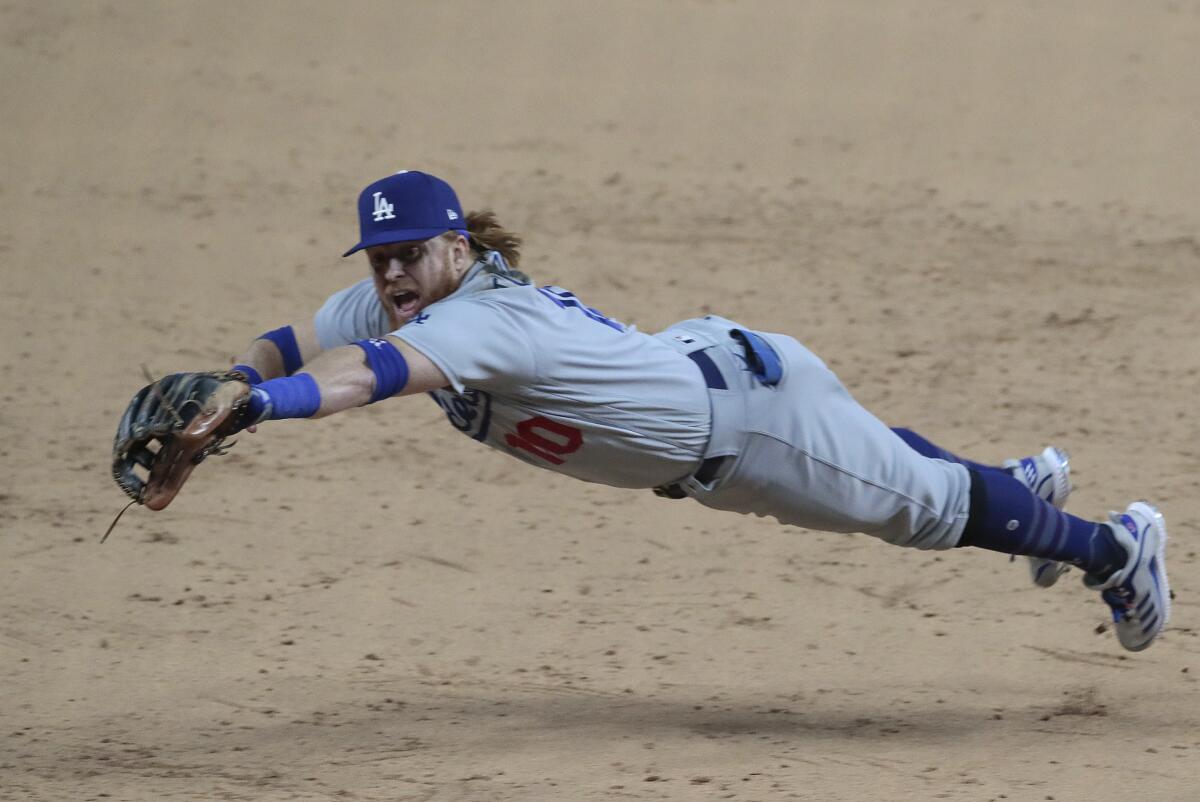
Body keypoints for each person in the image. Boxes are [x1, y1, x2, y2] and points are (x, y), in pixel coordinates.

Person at [216, 170, 1169, 652]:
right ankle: (1015, 495)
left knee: (926, 512)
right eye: (379, 260)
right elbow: (300, 342)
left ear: (456, 248)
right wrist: (229, 383)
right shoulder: (408, 298)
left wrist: (261, 409)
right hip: (717, 373)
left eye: (410, 254)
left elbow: (355, 381)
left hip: (748, 431)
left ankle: (1112, 548)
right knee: (893, 472)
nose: (390, 276)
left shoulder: (480, 324)